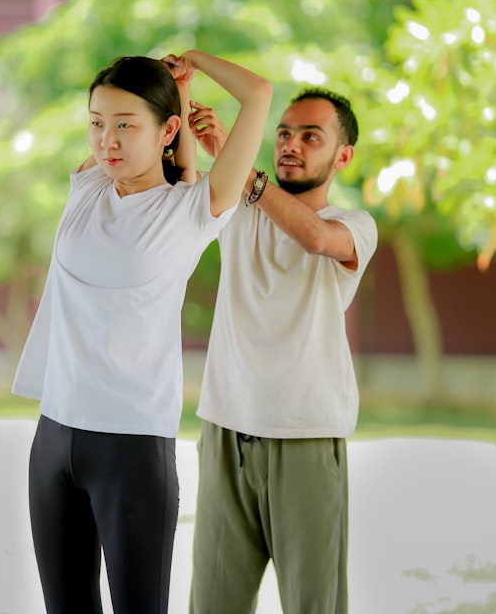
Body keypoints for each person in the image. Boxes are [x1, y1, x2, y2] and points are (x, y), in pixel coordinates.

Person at [11, 50, 272, 614]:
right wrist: (175, 87)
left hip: (130, 446)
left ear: (168, 131)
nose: (108, 140)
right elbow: (153, 144)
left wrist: (193, 64)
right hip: (53, 437)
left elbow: (258, 95)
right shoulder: (88, 188)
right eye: (96, 123)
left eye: (126, 126)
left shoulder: (194, 211)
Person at [186, 87, 378, 614]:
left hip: (306, 437)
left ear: (343, 156)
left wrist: (242, 169)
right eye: (285, 133)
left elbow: (316, 238)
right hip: (224, 433)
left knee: (313, 605)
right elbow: (184, 178)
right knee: (211, 606)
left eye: (311, 136)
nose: (291, 144)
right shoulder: (238, 210)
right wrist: (183, 90)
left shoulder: (355, 226)